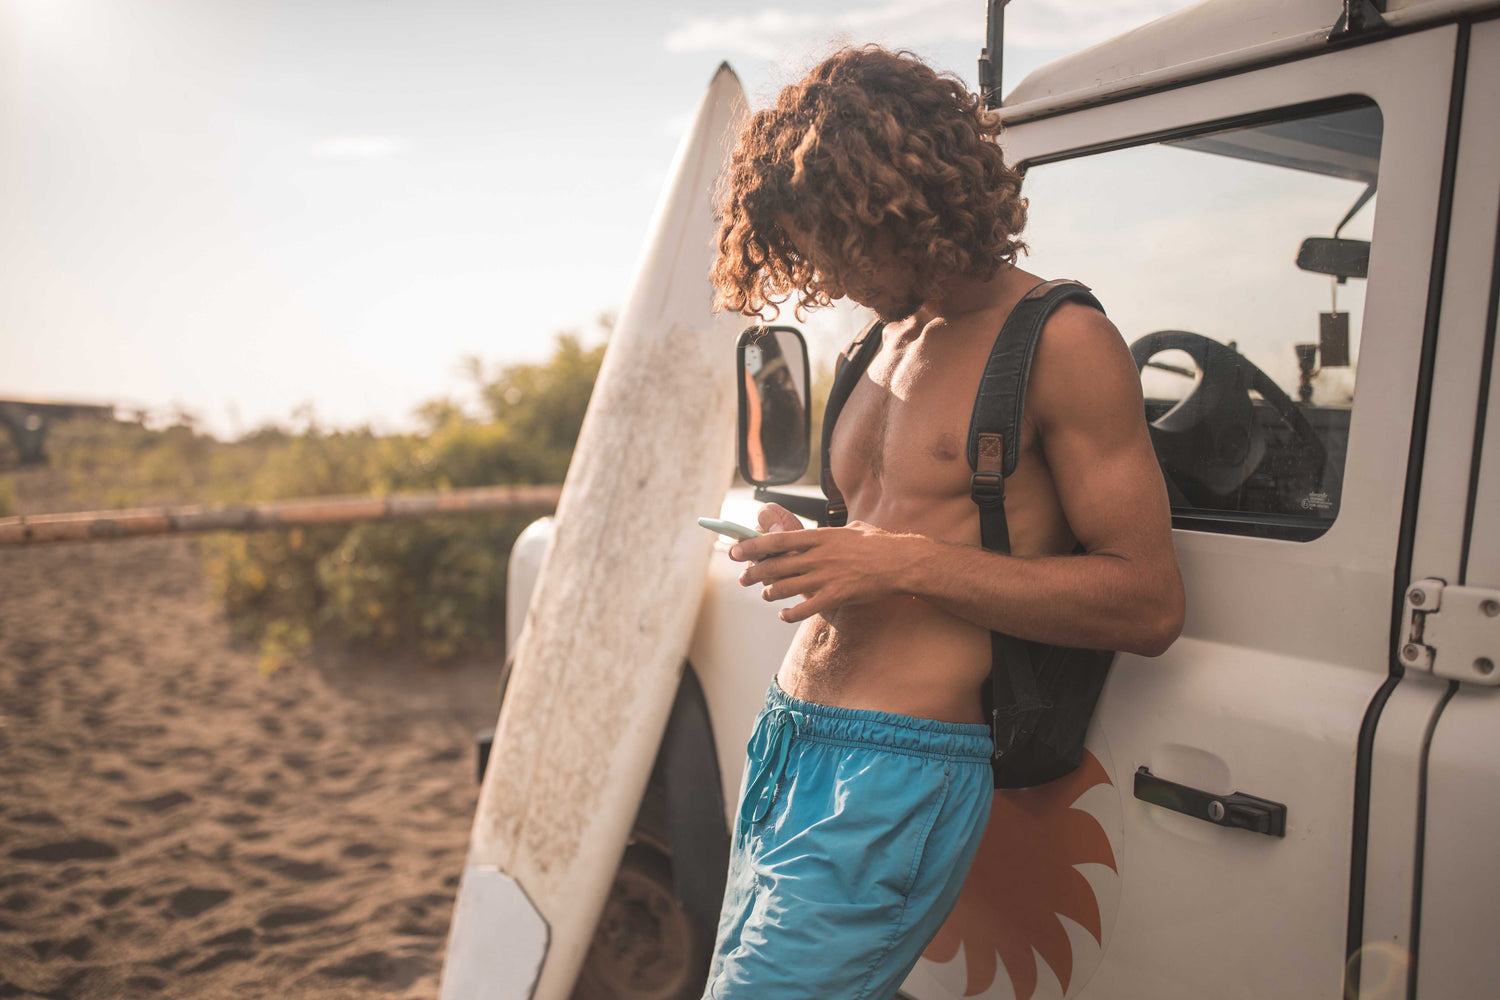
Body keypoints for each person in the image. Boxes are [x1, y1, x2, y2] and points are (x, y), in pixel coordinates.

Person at [700, 46, 1186, 1000]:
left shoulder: (1064, 341)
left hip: (897, 777)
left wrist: (901, 563)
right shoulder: (877, 340)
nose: (827, 273)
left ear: (902, 201)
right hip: (789, 740)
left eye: (837, 239)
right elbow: (879, 533)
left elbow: (1147, 601)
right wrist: (814, 544)